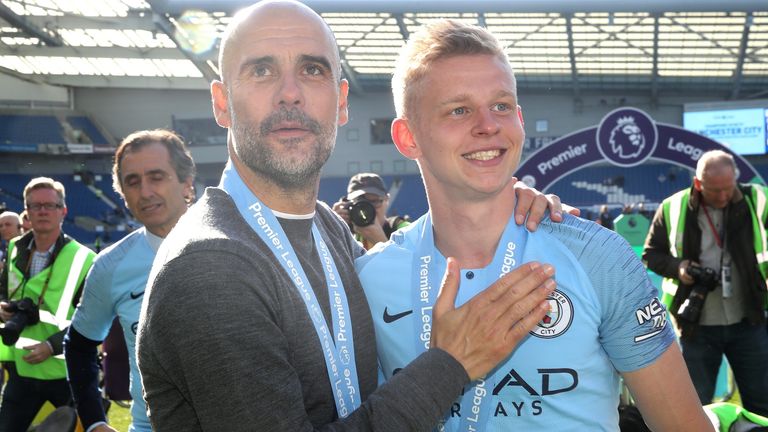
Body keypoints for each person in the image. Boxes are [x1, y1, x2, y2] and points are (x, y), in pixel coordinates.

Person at [136, 2, 566, 430]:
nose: (290, 92)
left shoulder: (328, 230)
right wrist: (449, 364)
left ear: (341, 102)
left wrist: (500, 199)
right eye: (262, 71)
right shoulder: (209, 266)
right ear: (222, 103)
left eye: (312, 70)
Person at [357, 20, 712, 431]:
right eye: (459, 109)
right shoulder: (369, 278)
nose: (488, 125)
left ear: (520, 119)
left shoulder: (597, 256)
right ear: (407, 137)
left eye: (502, 106)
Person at [64, 130, 195, 432]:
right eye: (132, 182)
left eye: (157, 176)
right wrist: (95, 421)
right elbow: (79, 346)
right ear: (122, 193)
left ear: (186, 182)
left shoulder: (234, 243)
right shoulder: (110, 266)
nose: (145, 191)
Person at [643, 150, 768, 416]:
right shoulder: (672, 207)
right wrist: (680, 268)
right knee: (697, 407)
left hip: (749, 319)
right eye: (714, 190)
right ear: (698, 183)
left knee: (762, 403)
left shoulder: (757, 199)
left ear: (735, 178)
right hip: (695, 326)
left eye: (727, 188)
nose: (723, 197)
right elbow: (650, 254)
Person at [0, 177, 95, 431]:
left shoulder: (84, 259)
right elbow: (3, 291)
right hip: (21, 369)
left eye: (49, 205)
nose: (42, 210)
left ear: (63, 211)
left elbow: (94, 319)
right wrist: (2, 308)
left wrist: (51, 346)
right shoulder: (14, 249)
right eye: (35, 206)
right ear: (27, 213)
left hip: (67, 370)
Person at [332, 173, 409, 249]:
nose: (367, 208)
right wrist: (334, 228)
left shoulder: (404, 229)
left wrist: (380, 241)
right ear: (348, 205)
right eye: (360, 203)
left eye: (374, 201)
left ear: (387, 199)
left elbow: (414, 260)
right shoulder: (350, 235)